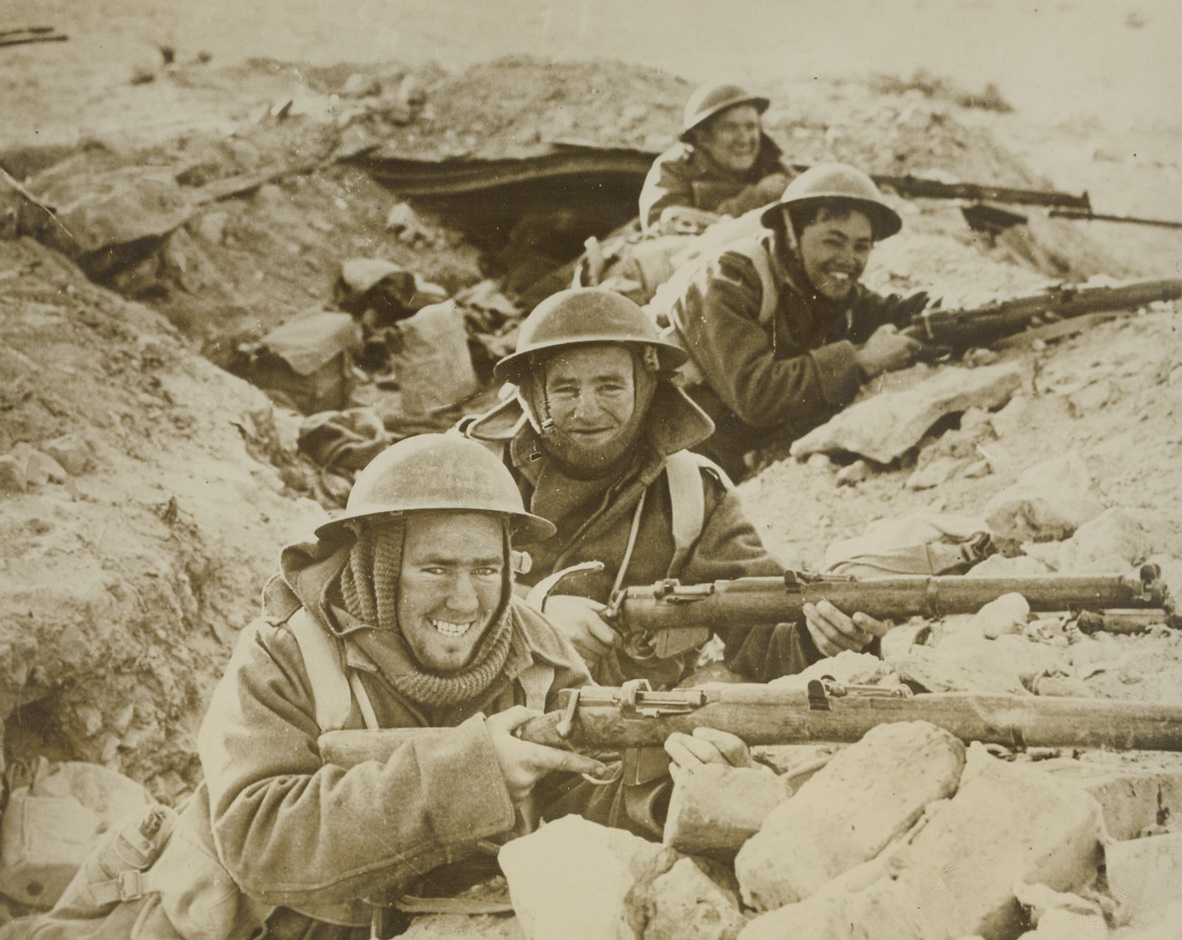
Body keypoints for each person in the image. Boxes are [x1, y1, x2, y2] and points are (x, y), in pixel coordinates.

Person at [459, 288, 887, 690]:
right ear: (535, 394)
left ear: (645, 388)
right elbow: (402, 595)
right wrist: (532, 614)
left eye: (610, 386)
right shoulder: (466, 471)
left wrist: (821, 637)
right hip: (483, 717)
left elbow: (759, 627)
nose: (587, 410)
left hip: (628, 735)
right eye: (566, 389)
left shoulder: (690, 493)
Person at [650, 162, 932, 483]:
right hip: (665, 461)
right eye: (833, 241)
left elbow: (899, 309)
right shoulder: (728, 279)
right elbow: (757, 394)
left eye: (861, 246)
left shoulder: (825, 287)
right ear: (793, 233)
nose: (848, 259)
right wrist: (860, 360)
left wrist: (973, 310)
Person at [638, 80, 795, 236]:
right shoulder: (672, 169)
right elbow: (663, 231)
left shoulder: (771, 165)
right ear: (703, 138)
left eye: (751, 127)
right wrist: (756, 198)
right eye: (730, 128)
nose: (744, 139)